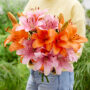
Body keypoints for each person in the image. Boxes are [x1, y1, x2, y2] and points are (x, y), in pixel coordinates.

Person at [23, 0, 86, 90]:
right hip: (34, 71)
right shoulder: (33, 2)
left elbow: (79, 41)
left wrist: (54, 65)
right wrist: (30, 57)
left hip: (56, 74)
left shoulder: (73, 5)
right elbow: (22, 30)